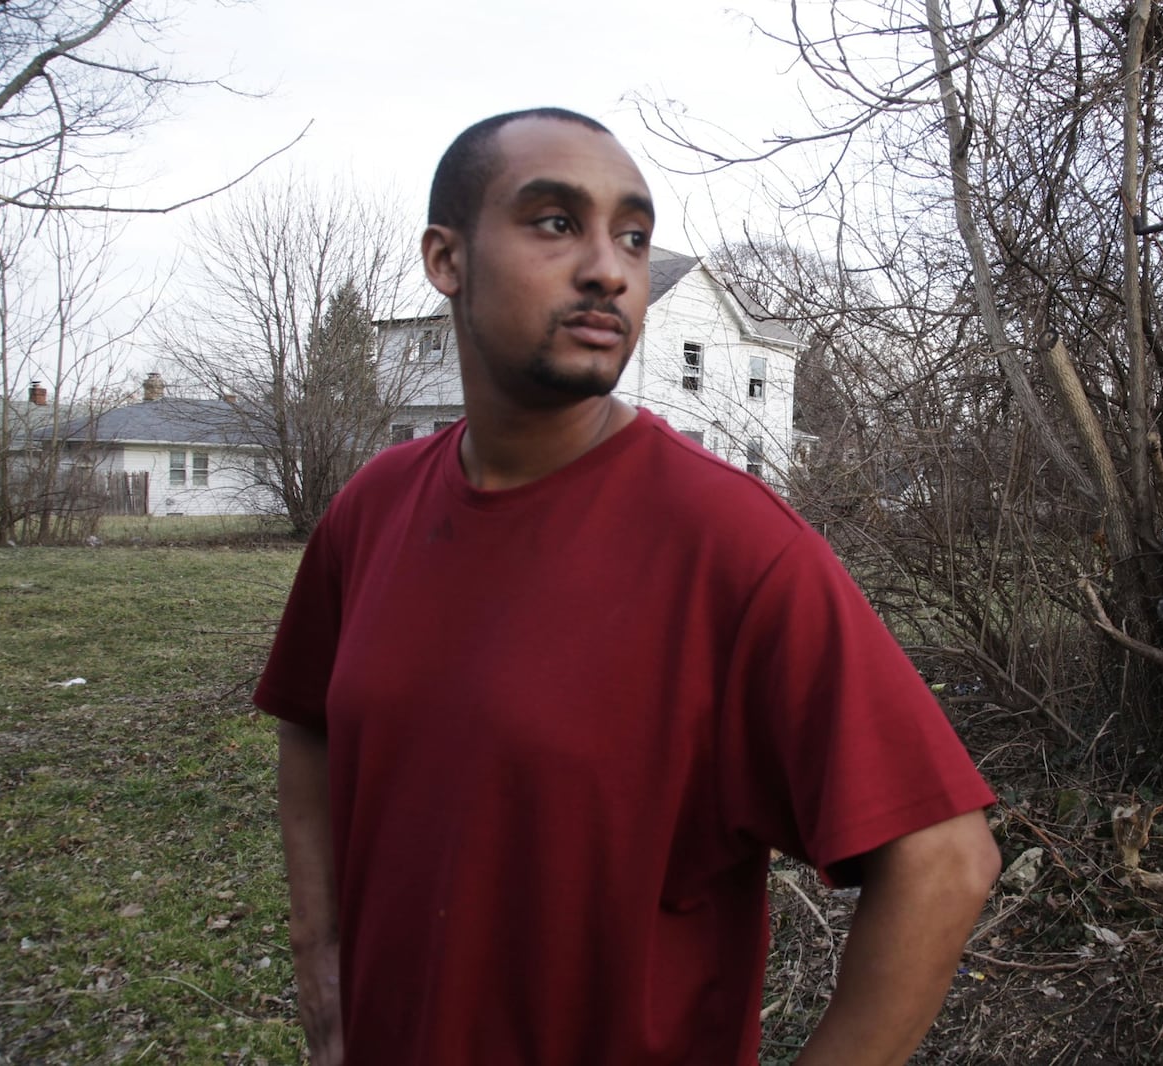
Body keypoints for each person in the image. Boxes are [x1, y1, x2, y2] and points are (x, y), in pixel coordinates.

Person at [255, 107, 1000, 1066]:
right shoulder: (375, 507)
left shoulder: (732, 547)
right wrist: (323, 973)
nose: (609, 266)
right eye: (556, 222)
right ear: (447, 259)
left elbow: (944, 860)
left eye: (635, 236)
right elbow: (308, 726)